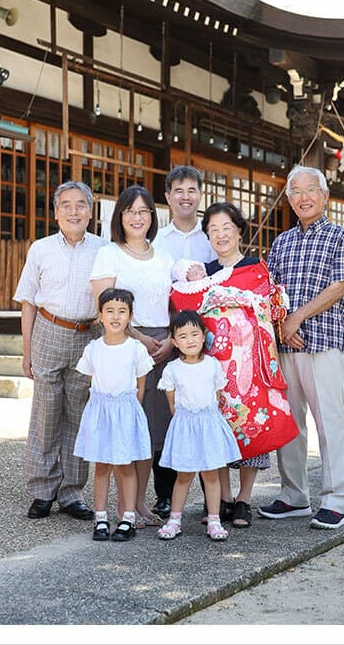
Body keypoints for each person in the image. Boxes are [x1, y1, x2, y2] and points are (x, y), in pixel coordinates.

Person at [170, 202, 298, 529]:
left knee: (251, 424)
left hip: (251, 363)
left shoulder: (256, 267)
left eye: (227, 227)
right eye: (213, 230)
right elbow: (189, 310)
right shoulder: (202, 273)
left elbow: (270, 307)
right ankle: (223, 497)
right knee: (219, 427)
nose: (221, 235)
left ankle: (244, 499)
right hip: (213, 366)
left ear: (239, 230)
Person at [258, 165, 344, 530]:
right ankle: (294, 495)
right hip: (286, 347)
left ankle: (336, 500)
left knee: (329, 422)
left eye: (310, 190)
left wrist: (295, 318)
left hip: (323, 344)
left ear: (325, 195)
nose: (303, 197)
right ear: (288, 199)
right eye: (295, 191)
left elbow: (338, 288)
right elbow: (270, 291)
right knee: (291, 424)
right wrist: (280, 325)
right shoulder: (281, 241)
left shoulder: (341, 236)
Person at [13, 181, 105, 521]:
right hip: (49, 331)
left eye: (81, 204)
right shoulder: (40, 248)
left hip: (88, 334)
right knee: (46, 414)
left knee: (78, 416)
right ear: (55, 213)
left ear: (90, 211)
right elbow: (27, 301)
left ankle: (71, 493)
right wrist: (27, 351)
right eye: (66, 205)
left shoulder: (103, 249)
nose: (74, 211)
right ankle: (41, 491)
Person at [89, 184, 174, 527]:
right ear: (119, 216)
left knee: (152, 432)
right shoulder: (109, 253)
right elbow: (104, 303)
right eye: (130, 212)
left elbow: (174, 304)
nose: (137, 218)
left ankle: (139, 504)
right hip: (126, 345)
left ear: (152, 217)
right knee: (127, 428)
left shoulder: (165, 256)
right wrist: (138, 337)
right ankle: (125, 507)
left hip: (164, 345)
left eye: (143, 212)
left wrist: (169, 340)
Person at [151, 165, 217, 518]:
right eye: (179, 190)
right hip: (169, 335)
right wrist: (166, 339)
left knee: (209, 411)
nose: (186, 196)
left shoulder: (212, 236)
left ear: (200, 194)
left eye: (192, 189)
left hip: (209, 336)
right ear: (168, 197)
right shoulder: (158, 241)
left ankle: (214, 500)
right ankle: (164, 493)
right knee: (167, 414)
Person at [73, 288, 153, 542]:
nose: (116, 317)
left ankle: (128, 517)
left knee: (125, 466)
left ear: (130, 316)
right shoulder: (93, 349)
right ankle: (101, 517)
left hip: (125, 413)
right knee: (101, 467)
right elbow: (92, 378)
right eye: (110, 311)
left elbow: (141, 385)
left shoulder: (136, 349)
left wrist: (129, 413)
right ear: (100, 316)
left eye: (122, 311)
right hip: (100, 413)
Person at [156, 310, 242, 542]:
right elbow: (172, 404)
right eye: (183, 336)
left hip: (208, 426)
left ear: (204, 336)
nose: (190, 340)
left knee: (211, 474)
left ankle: (214, 520)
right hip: (185, 427)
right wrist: (187, 422)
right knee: (183, 476)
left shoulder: (212, 365)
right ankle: (174, 520)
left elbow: (217, 395)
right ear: (174, 341)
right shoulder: (172, 369)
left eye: (195, 334)